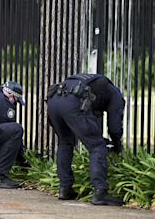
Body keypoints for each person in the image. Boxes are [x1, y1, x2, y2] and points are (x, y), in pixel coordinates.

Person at [46, 73, 125, 206]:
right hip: (73, 101)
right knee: (97, 146)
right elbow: (114, 127)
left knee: (65, 142)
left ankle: (65, 189)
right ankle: (100, 192)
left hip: (54, 100)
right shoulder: (116, 96)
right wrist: (117, 145)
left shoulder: (93, 84)